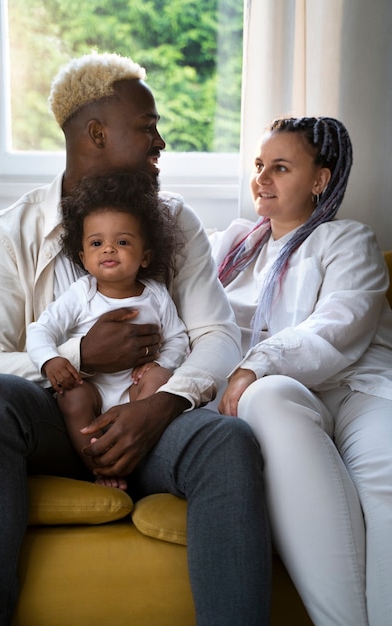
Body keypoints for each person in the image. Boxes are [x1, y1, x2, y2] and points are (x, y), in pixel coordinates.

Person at [0, 51, 271, 625]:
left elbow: (217, 335)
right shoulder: (10, 232)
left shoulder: (174, 222)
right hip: (59, 424)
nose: (161, 142)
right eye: (147, 127)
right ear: (96, 133)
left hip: (149, 417)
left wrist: (160, 406)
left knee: (228, 445)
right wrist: (78, 356)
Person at [210, 116, 392, 625]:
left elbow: (337, 328)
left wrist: (254, 364)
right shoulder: (232, 248)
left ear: (320, 181)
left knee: (385, 488)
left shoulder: (348, 240)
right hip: (283, 401)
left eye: (281, 167)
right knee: (265, 397)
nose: (262, 179)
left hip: (358, 392)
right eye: (259, 166)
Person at [27, 172, 189, 489]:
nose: (109, 249)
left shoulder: (155, 294)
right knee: (70, 397)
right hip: (94, 390)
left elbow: (178, 339)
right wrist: (52, 361)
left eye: (123, 242)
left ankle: (137, 457)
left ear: (145, 256)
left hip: (136, 392)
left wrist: (159, 365)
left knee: (162, 379)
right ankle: (101, 469)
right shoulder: (80, 294)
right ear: (84, 258)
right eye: (97, 243)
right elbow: (40, 331)